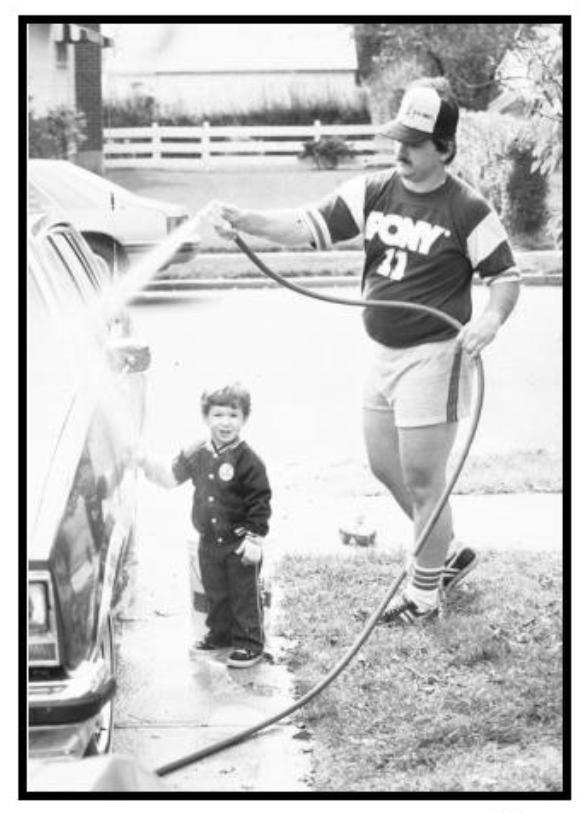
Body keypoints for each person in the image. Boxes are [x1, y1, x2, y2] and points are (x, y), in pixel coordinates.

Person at [210, 78, 520, 626]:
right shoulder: (375, 191)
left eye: (415, 143)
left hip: (434, 355)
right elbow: (306, 225)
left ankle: (423, 597)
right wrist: (246, 220)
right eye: (398, 138)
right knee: (384, 465)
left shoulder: (467, 209)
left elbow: (505, 276)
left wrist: (491, 320)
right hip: (382, 352)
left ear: (444, 148)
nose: (401, 150)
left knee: (424, 479)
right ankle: (446, 551)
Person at [134, 382, 272, 667]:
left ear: (244, 419)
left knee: (243, 595)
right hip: (209, 540)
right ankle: (219, 635)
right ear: (206, 417)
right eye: (218, 415)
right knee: (215, 592)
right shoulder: (197, 452)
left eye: (233, 415)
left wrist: (254, 540)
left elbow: (260, 502)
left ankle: (250, 643)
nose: (225, 422)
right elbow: (170, 477)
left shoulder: (249, 461)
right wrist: (145, 463)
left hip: (239, 542)